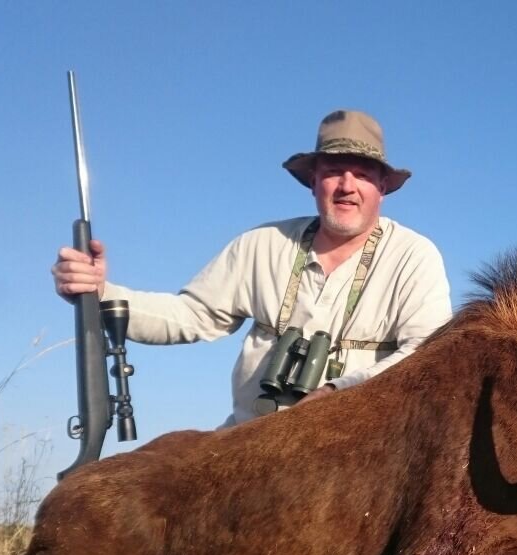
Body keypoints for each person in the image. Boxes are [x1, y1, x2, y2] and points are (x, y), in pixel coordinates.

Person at [52, 109, 452, 427]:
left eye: (362, 174)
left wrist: (335, 394)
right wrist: (101, 292)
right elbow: (191, 316)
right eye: (333, 171)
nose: (347, 185)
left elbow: (427, 355)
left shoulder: (415, 257)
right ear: (313, 181)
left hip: (359, 451)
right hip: (251, 443)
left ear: (382, 188)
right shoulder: (261, 245)